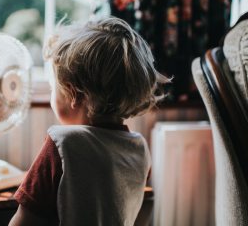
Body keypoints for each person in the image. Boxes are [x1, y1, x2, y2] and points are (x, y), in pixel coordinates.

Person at [9, 17, 170, 226]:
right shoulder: (139, 149)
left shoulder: (62, 144)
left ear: (74, 94)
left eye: (53, 88)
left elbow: (23, 222)